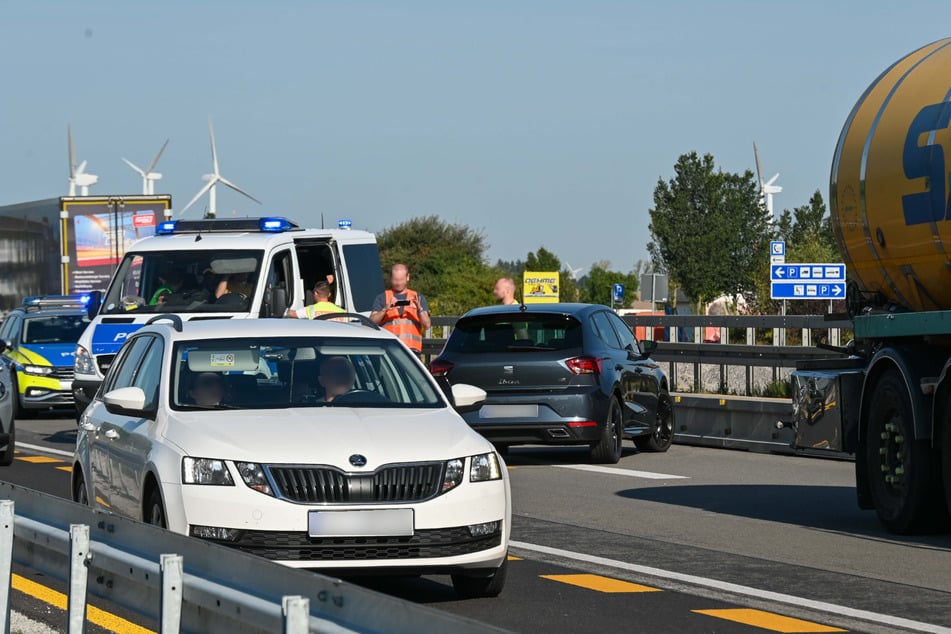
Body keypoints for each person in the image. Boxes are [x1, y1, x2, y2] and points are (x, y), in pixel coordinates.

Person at [369, 264, 431, 355]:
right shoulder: (382, 298)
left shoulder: (418, 297)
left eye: (401, 280)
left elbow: (427, 325)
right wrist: (384, 310)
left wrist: (419, 309)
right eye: (395, 280)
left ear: (408, 277)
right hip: (388, 350)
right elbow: (372, 321)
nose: (398, 283)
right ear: (391, 278)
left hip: (412, 351)